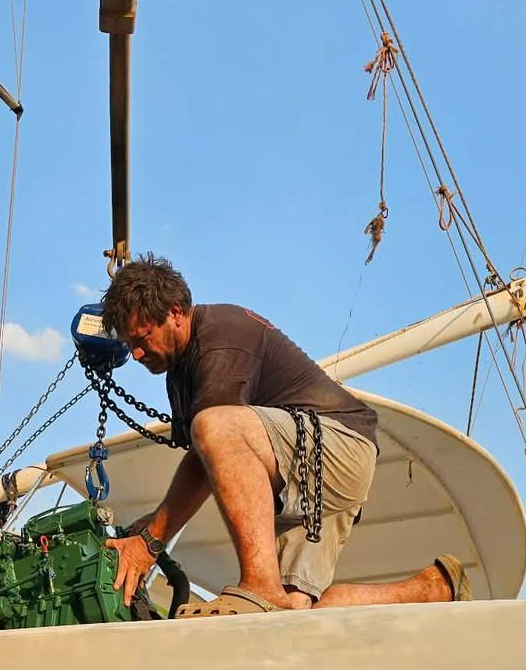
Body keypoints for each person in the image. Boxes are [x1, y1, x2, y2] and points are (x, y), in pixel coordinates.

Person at [98, 255, 472, 616]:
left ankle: (259, 584)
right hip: (310, 472)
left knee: (213, 426)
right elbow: (205, 459)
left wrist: (150, 541)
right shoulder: (179, 371)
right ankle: (432, 588)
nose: (136, 352)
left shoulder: (220, 336)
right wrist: (155, 520)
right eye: (130, 343)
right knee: (289, 613)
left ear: (176, 312)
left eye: (143, 337)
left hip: (337, 446)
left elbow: (209, 447)